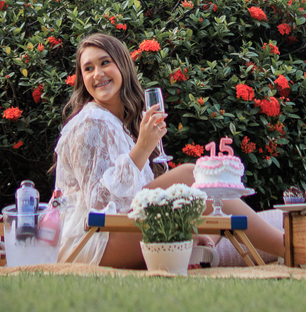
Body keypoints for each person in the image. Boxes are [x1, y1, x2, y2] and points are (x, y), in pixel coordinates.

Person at [53, 33, 285, 268]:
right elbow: (99, 205)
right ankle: (289, 247)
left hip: (118, 232)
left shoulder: (120, 125)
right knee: (191, 177)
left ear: (122, 65)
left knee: (210, 210)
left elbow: (134, 200)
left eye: (105, 63)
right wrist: (143, 148)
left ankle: (207, 248)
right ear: (83, 79)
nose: (97, 74)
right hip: (93, 242)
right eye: (88, 68)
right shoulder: (89, 122)